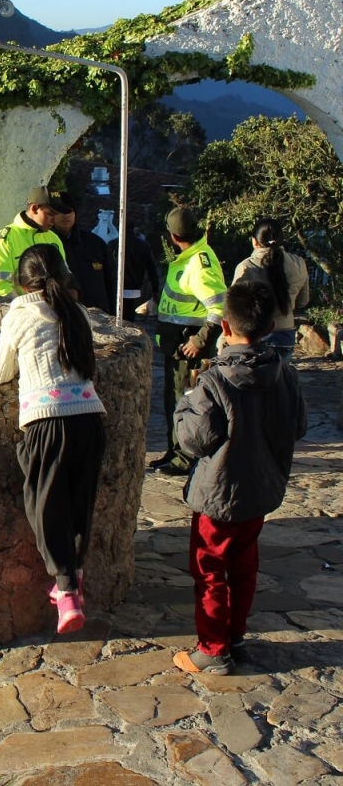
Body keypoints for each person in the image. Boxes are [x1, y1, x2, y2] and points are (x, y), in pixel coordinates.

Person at [171, 281, 308, 675]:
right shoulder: (286, 375)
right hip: (260, 489)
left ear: (225, 327)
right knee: (244, 564)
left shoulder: (214, 381)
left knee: (210, 568)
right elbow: (298, 425)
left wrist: (186, 401)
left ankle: (212, 649)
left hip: (219, 494)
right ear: (269, 328)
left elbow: (193, 440)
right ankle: (235, 637)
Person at [0, 244, 106, 635]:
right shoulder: (78, 313)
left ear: (22, 282)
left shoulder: (18, 316)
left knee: (45, 506)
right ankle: (74, 577)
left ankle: (67, 591)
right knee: (78, 505)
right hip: (89, 417)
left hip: (48, 422)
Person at [150, 206, 227, 477]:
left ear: (173, 236)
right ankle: (174, 452)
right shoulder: (189, 257)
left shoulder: (199, 263)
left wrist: (200, 340)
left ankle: (185, 458)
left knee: (187, 404)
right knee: (173, 403)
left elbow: (219, 307)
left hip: (189, 348)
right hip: (177, 347)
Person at [233, 217, 309, 364]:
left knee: (255, 378)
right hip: (286, 336)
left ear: (254, 241)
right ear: (281, 239)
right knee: (279, 377)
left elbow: (234, 309)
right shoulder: (299, 263)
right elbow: (303, 302)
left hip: (255, 335)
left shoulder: (246, 267)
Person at [0, 187, 68, 297]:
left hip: (52, 306)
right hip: (19, 306)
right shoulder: (6, 239)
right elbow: (0, 287)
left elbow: (65, 277)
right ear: (34, 208)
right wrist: (24, 305)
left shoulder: (54, 238)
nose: (55, 219)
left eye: (56, 215)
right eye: (51, 214)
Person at [53, 191, 116, 312]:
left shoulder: (95, 243)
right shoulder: (46, 243)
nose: (66, 216)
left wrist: (114, 312)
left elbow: (112, 279)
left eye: (70, 211)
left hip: (96, 313)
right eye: (60, 211)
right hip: (61, 312)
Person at [108, 219, 161, 321]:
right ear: (133, 228)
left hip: (116, 289)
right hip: (135, 290)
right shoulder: (143, 245)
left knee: (116, 320)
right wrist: (155, 290)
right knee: (131, 320)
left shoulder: (113, 244)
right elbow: (152, 270)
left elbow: (108, 268)